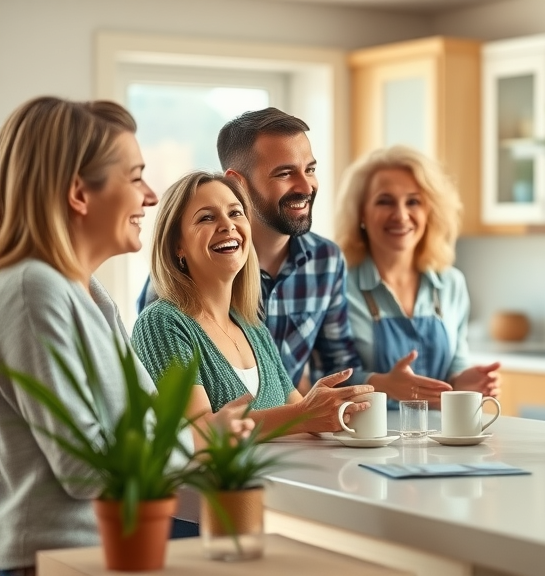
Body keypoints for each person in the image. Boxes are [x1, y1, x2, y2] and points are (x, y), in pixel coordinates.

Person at [0, 97, 249, 575]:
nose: (150, 196)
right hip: (54, 563)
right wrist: (199, 441)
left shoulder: (94, 296)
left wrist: (199, 434)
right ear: (79, 193)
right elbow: (88, 465)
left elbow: (153, 424)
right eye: (134, 177)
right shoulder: (34, 289)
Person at [132, 171, 373, 435]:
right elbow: (196, 432)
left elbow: (303, 420)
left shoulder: (253, 327)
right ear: (178, 246)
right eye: (207, 217)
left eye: (235, 213)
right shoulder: (161, 323)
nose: (228, 225)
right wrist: (304, 414)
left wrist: (337, 412)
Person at [138, 108, 361, 393]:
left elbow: (334, 370)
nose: (306, 186)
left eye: (310, 170)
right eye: (285, 173)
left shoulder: (324, 261)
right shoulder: (170, 299)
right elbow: (169, 394)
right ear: (237, 182)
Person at [334, 145, 500, 407]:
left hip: (439, 439)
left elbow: (456, 365)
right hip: (367, 440)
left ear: (429, 211)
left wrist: (463, 383)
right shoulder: (337, 285)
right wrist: (383, 384)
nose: (400, 215)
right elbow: (325, 380)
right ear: (360, 213)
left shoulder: (450, 283)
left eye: (413, 201)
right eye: (384, 201)